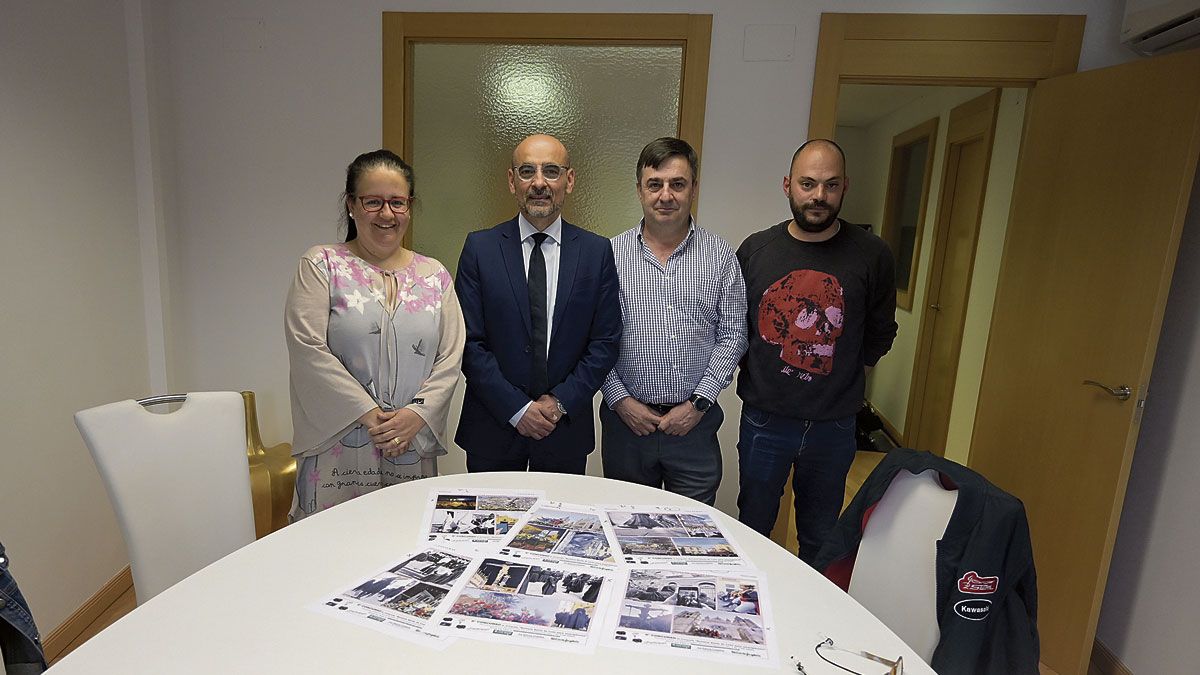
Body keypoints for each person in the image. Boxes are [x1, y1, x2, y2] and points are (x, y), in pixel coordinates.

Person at [735, 139, 897, 565]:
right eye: (808, 184)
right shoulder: (756, 251)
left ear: (846, 187)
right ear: (788, 185)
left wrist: (842, 375)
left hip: (835, 424)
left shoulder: (873, 254)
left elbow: (880, 331)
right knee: (752, 526)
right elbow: (735, 328)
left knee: (820, 535)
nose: (818, 196)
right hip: (765, 419)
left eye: (830, 185)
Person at [285, 149, 465, 520]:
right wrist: (372, 416)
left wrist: (416, 415)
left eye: (397, 202)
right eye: (373, 202)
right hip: (340, 444)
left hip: (409, 441)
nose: (387, 214)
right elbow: (308, 348)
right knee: (335, 548)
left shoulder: (435, 275)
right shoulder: (322, 265)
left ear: (410, 206)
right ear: (351, 204)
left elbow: (451, 356)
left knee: (406, 549)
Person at [455, 134, 621, 474]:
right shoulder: (480, 248)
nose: (539, 183)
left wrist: (559, 403)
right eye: (528, 171)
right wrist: (517, 408)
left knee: (562, 524)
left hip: (564, 432)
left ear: (569, 180)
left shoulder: (596, 252)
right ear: (512, 181)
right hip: (493, 429)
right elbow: (468, 343)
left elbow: (604, 342)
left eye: (552, 171)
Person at [600, 137, 747, 505]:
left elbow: (733, 336)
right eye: (655, 184)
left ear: (693, 188)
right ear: (639, 190)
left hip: (694, 428)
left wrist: (697, 404)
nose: (666, 195)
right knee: (627, 530)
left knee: (692, 536)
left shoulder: (720, 256)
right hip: (626, 427)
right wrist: (620, 401)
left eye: (677, 184)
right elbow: (592, 338)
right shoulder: (608, 256)